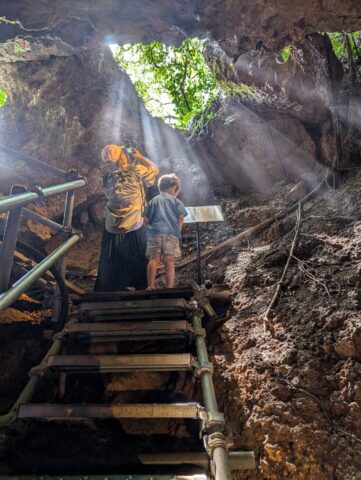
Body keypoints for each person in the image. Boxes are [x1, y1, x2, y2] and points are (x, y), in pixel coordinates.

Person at [94, 144, 159, 291]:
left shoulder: (107, 178)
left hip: (112, 225)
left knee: (112, 259)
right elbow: (155, 170)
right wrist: (139, 157)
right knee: (139, 254)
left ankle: (111, 287)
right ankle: (141, 285)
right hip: (135, 222)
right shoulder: (136, 172)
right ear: (122, 155)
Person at [143, 174, 187, 289]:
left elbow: (145, 219)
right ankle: (170, 287)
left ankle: (150, 286)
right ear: (173, 188)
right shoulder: (176, 201)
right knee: (169, 260)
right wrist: (178, 231)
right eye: (177, 190)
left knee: (154, 259)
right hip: (171, 234)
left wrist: (151, 227)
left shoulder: (153, 201)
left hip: (154, 233)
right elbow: (181, 217)